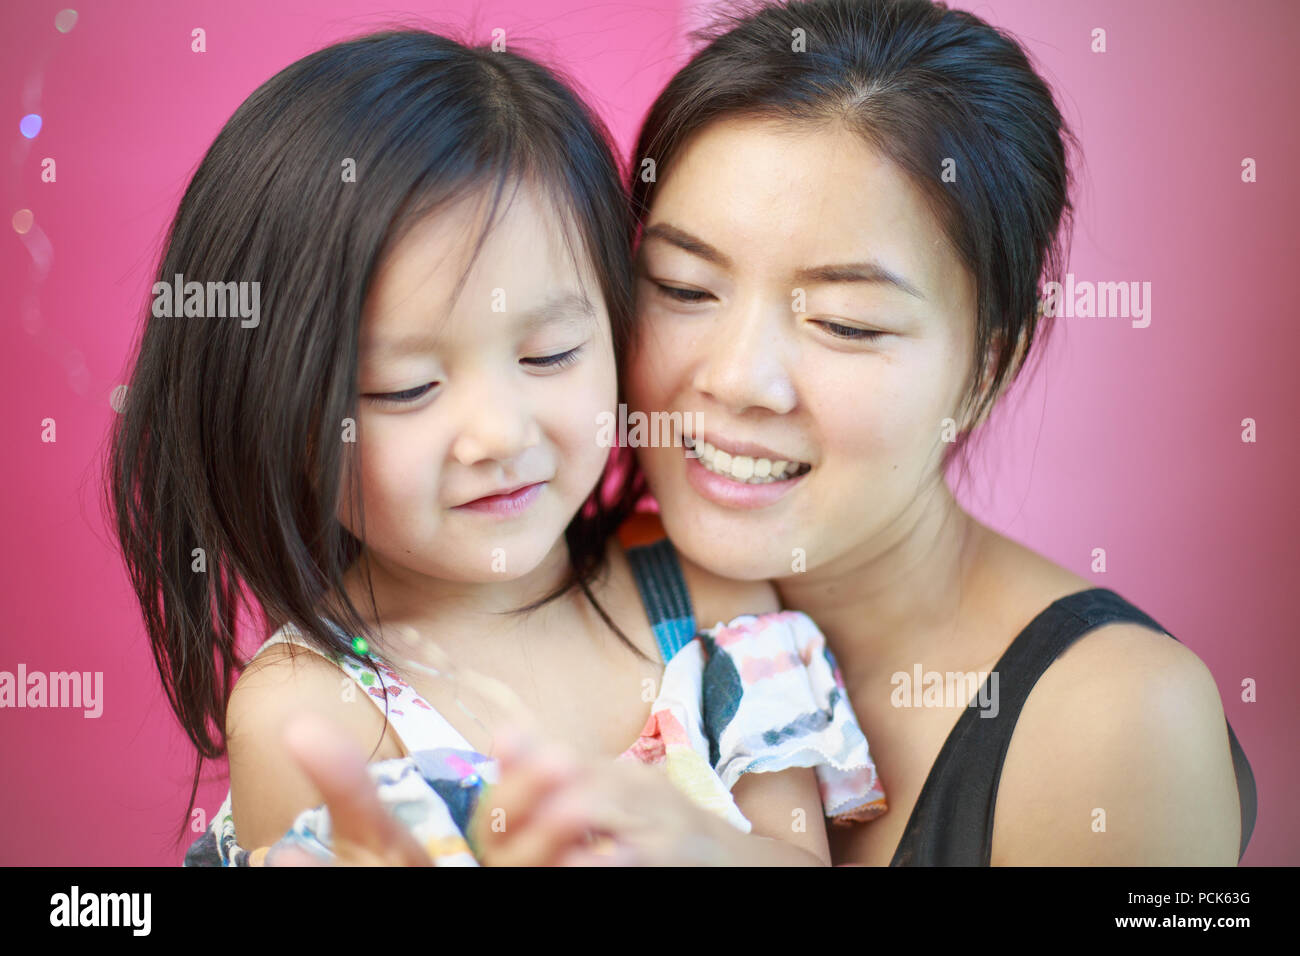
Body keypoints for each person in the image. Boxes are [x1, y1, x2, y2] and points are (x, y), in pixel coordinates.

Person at [271, 0, 1256, 867]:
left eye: (847, 323)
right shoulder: (531, 585)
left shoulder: (1116, 718)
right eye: (682, 287)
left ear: (983, 368)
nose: (736, 378)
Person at [106, 28, 888, 867]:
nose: (501, 435)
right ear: (275, 411)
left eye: (550, 355)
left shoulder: (708, 606)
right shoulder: (316, 717)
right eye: (404, 388)